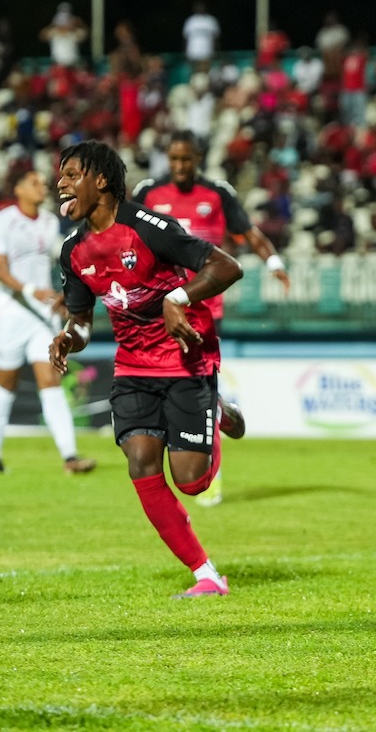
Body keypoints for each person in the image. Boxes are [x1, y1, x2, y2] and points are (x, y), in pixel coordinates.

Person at [49, 140, 245, 598]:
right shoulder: (73, 251)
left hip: (184, 356)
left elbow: (226, 265)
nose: (61, 183)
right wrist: (67, 338)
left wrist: (177, 299)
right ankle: (207, 575)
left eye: (71, 173)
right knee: (140, 463)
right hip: (133, 365)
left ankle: (217, 410)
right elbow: (81, 322)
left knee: (192, 481)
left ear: (101, 180)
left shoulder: (149, 227)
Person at [132, 129, 290, 506]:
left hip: (202, 307)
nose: (180, 166)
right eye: (174, 159)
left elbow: (248, 234)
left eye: (186, 159)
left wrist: (274, 261)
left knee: (193, 386)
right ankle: (217, 411)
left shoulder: (217, 193)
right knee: (177, 387)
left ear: (198, 158)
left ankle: (210, 469)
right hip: (157, 303)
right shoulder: (148, 193)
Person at [0, 168, 96, 475]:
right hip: (12, 311)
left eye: (43, 183)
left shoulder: (48, 222)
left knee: (51, 380)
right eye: (33, 182)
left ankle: (70, 457)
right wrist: (32, 291)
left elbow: (65, 262)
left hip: (42, 315)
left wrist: (62, 295)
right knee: (6, 382)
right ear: (17, 188)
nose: (42, 187)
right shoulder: (1, 221)